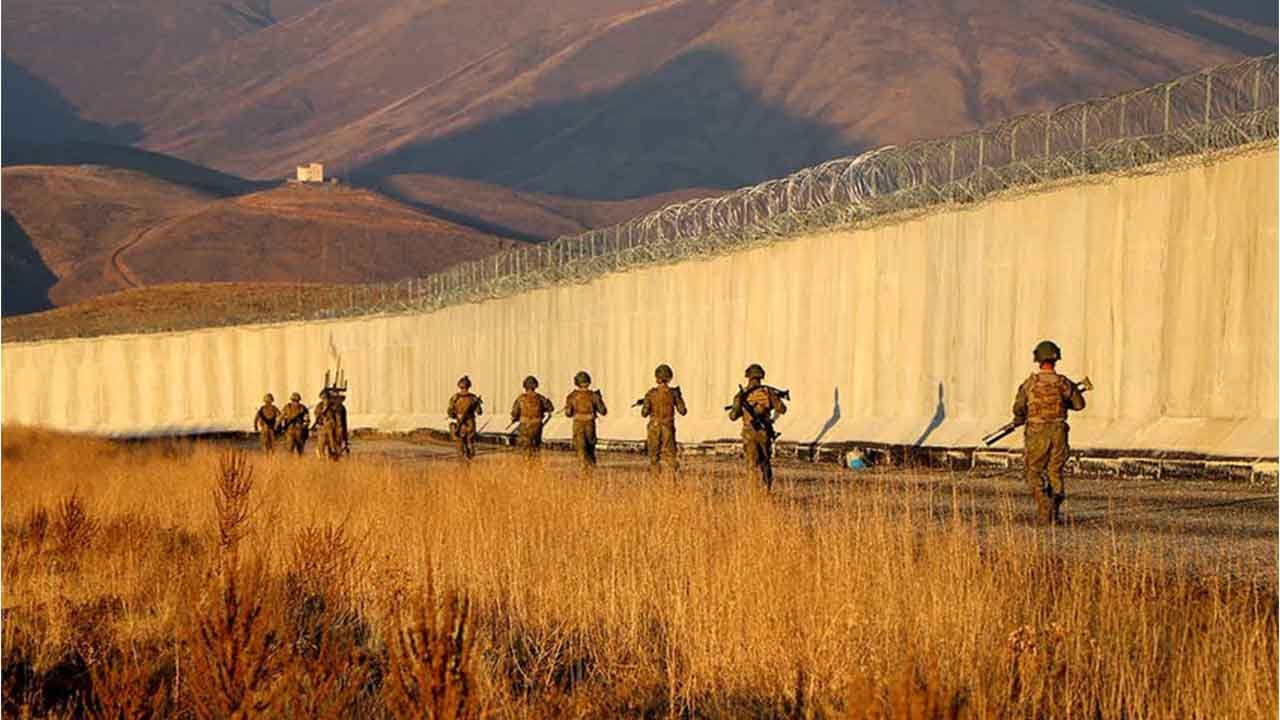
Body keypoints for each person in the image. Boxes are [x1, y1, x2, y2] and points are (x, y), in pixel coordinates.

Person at [1012, 340, 1086, 525]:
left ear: (1037, 359)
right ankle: (1053, 512)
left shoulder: (1030, 384)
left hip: (1037, 432)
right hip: (1059, 432)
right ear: (1056, 359)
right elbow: (1079, 405)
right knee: (1055, 471)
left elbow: (1019, 408)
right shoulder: (1064, 383)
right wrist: (1065, 401)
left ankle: (1044, 504)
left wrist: (1020, 417)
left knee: (1033, 471)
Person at [728, 364, 787, 490]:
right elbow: (782, 409)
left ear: (748, 377)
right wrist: (769, 405)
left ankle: (753, 492)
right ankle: (767, 489)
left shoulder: (741, 395)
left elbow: (733, 416)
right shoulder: (768, 392)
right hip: (764, 432)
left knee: (751, 464)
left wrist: (737, 408)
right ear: (761, 376)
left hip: (749, 433)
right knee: (765, 463)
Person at [641, 364, 686, 473]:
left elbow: (644, 413)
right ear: (670, 378)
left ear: (657, 378)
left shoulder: (651, 394)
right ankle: (672, 482)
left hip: (654, 428)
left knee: (654, 458)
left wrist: (647, 403)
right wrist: (678, 397)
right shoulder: (674, 393)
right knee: (670, 457)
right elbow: (683, 411)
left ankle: (656, 482)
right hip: (668, 428)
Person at [564, 371, 607, 468]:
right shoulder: (594, 396)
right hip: (590, 425)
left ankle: (584, 471)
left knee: (581, 450)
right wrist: (600, 399)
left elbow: (568, 414)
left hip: (578, 425)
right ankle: (591, 470)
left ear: (576, 382)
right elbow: (603, 411)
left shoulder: (572, 396)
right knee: (590, 450)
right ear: (588, 381)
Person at [510, 376, 554, 457]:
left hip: (524, 426)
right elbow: (551, 409)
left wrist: (515, 419)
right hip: (537, 426)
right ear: (535, 386)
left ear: (525, 386)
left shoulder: (520, 398)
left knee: (525, 449)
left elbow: (514, 413)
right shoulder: (540, 398)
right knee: (536, 448)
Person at [447, 376, 484, 459]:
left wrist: (456, 414)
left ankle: (462, 465)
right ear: (469, 386)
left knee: (460, 447)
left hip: (460, 425)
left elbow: (450, 412)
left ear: (459, 386)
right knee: (470, 444)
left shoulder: (455, 398)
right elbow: (479, 412)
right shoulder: (473, 398)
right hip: (470, 424)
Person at [312, 388, 349, 460]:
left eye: (326, 398)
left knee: (333, 450)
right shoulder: (320, 406)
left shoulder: (336, 407)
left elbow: (340, 422)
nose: (325, 400)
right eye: (323, 398)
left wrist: (340, 432)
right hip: (323, 430)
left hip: (333, 431)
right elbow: (317, 416)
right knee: (321, 449)